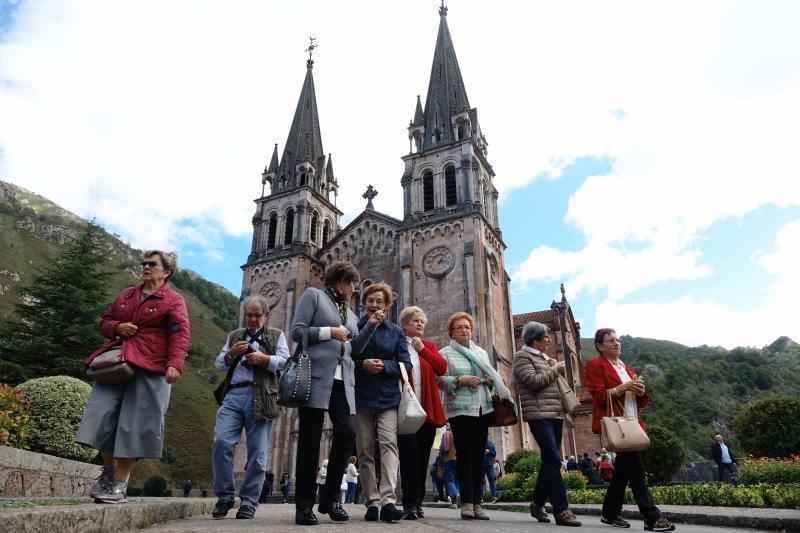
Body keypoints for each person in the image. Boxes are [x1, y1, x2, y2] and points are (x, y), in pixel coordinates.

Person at [76, 250, 189, 504]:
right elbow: (105, 322)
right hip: (118, 362)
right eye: (145, 263)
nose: (146, 267)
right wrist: (117, 327)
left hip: (151, 365)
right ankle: (108, 472)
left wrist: (175, 365)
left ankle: (119, 484)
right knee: (102, 416)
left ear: (166, 271)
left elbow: (179, 334)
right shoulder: (126, 295)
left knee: (134, 426)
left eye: (153, 264)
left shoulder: (173, 300)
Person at [290, 261, 380, 526]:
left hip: (344, 381)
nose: (354, 289)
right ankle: (304, 506)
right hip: (316, 377)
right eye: (351, 284)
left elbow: (355, 348)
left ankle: (329, 500)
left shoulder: (351, 314)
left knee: (346, 432)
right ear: (339, 281)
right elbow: (297, 332)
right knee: (309, 440)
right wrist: (329, 331)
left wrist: (371, 325)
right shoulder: (314, 296)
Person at [585, 328, 675, 532]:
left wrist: (641, 391)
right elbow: (599, 396)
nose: (617, 343)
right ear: (600, 346)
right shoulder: (595, 365)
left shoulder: (626, 367)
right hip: (617, 425)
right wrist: (625, 387)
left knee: (623, 473)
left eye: (618, 340)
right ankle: (651, 516)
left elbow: (640, 402)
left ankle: (609, 513)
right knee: (636, 471)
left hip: (633, 423)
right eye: (611, 341)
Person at [210, 295, 289, 519]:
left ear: (266, 315)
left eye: (257, 315)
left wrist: (264, 359)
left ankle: (249, 501)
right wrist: (231, 354)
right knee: (221, 442)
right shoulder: (234, 336)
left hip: (263, 395)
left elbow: (285, 361)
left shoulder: (277, 335)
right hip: (234, 395)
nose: (253, 319)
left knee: (258, 452)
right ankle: (225, 496)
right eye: (249, 315)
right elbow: (218, 363)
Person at [438, 312, 514, 521]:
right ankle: (467, 503)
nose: (465, 330)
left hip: (482, 407)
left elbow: (489, 374)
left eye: (467, 327)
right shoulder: (445, 353)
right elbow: (439, 379)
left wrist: (488, 381)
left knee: (479, 457)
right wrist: (460, 380)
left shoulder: (481, 352)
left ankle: (478, 503)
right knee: (464, 454)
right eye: (459, 327)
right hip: (459, 408)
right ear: (451, 333)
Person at [352, 283, 411, 522]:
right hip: (361, 394)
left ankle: (388, 500)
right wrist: (362, 365)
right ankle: (371, 502)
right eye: (370, 301)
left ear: (387, 306)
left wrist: (384, 366)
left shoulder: (396, 331)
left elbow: (406, 365)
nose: (375, 305)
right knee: (365, 449)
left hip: (387, 395)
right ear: (363, 304)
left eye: (380, 301)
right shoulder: (355, 328)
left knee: (389, 444)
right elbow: (346, 359)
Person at [512, 321, 580, 527]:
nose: (550, 340)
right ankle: (561, 509)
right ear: (534, 339)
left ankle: (537, 503)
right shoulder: (521, 357)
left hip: (556, 414)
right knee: (553, 458)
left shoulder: (543, 357)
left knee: (550, 460)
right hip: (538, 414)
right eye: (546, 337)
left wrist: (552, 366)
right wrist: (555, 369)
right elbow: (532, 381)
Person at [396, 305, 448, 520]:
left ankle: (417, 503)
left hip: (426, 411)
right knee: (410, 456)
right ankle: (409, 503)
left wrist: (422, 349)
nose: (420, 324)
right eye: (415, 321)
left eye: (422, 322)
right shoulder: (397, 346)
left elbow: (442, 367)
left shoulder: (428, 345)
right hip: (406, 409)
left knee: (423, 456)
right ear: (405, 324)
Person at [440, 425, 459, 509]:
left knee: (450, 481)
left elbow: (442, 448)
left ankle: (456, 494)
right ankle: (455, 502)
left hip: (448, 460)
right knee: (457, 481)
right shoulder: (459, 434)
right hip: (459, 459)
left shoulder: (446, 434)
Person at [484, 439, 498, 503]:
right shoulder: (477, 443)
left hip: (489, 465)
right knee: (481, 481)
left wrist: (489, 451)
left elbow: (494, 453)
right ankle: (480, 498)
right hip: (481, 465)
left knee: (492, 479)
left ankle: (494, 497)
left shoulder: (491, 444)